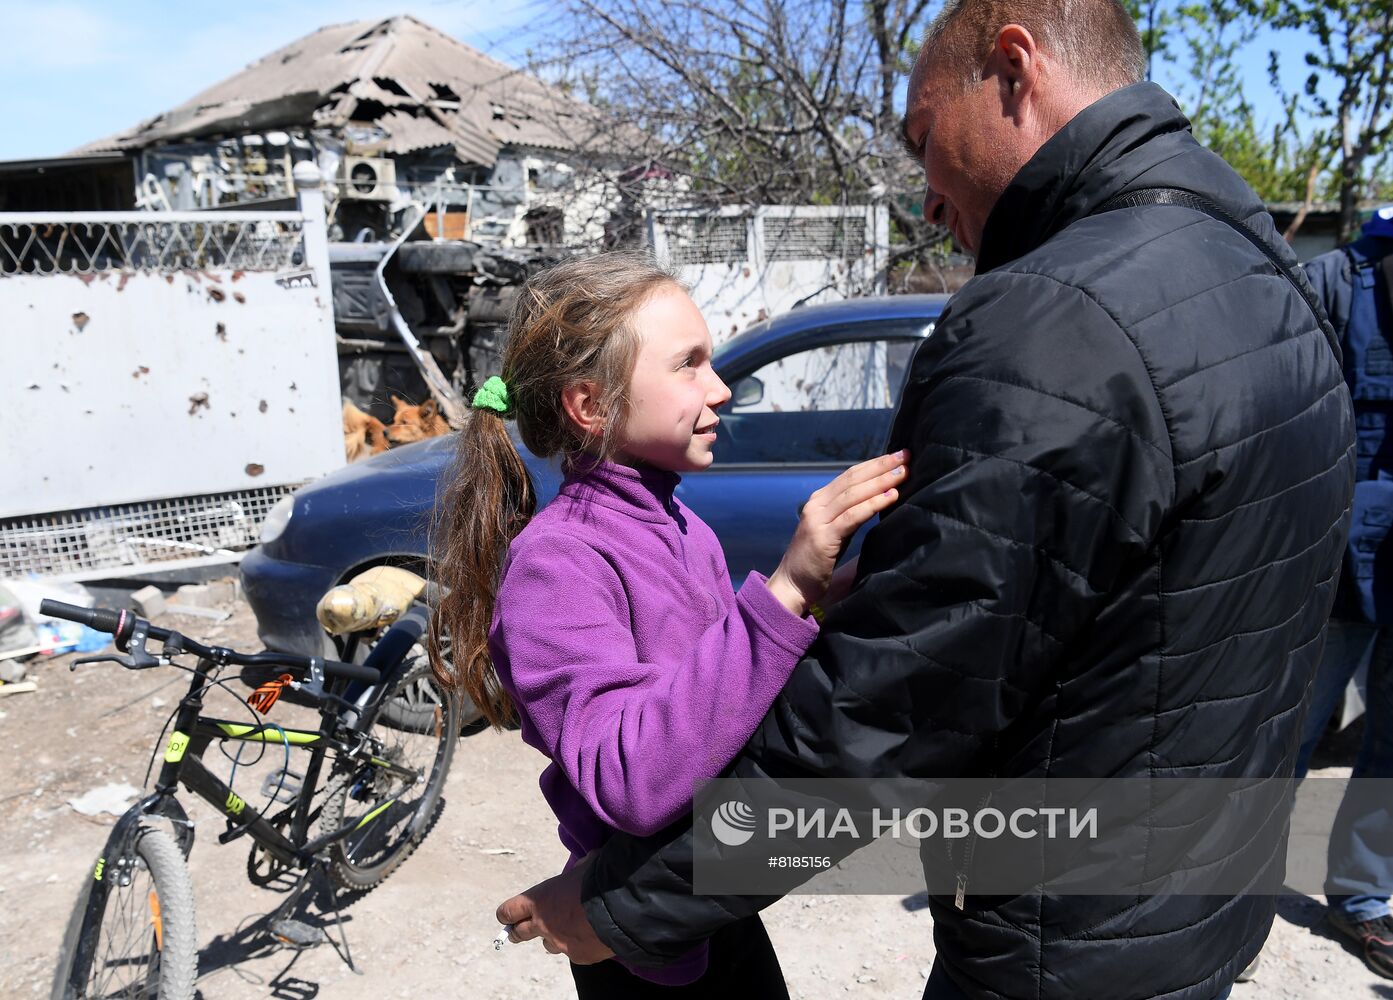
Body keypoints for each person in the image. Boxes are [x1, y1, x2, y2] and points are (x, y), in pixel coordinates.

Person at [494, 2, 1357, 999]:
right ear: (589, 403)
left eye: (922, 140)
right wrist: (815, 608)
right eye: (687, 364)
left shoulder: (1054, 324)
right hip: (1194, 915)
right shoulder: (1262, 266)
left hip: (1064, 950)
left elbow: (887, 711)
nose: (927, 199)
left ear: (1011, 69)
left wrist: (628, 905)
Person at [431, 252, 908, 997]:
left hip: (705, 902)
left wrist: (820, 600)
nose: (720, 388)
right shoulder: (556, 563)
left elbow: (726, 704)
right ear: (589, 405)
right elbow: (632, 779)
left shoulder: (683, 526)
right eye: (687, 365)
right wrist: (780, 592)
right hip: (640, 953)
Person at [1292, 207, 1393, 979]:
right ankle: (1217, 899)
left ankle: (1361, 897)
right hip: (1331, 565)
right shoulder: (1334, 281)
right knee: (1280, 736)